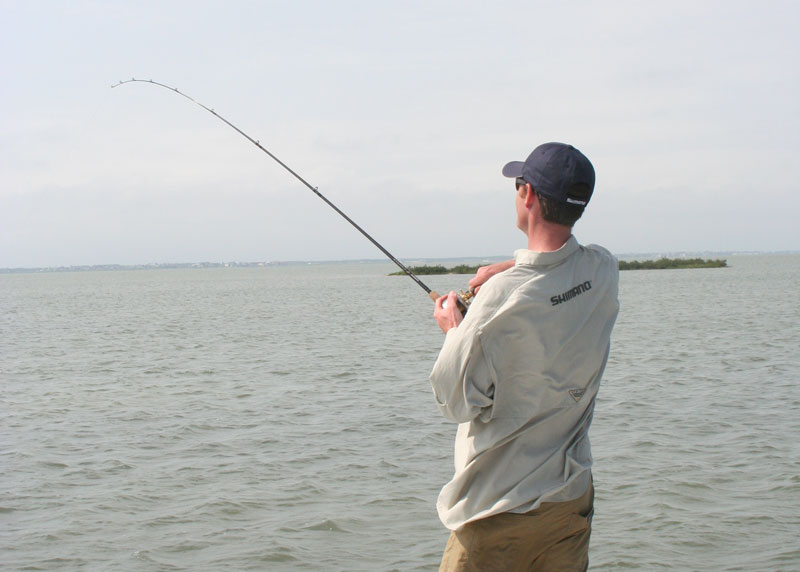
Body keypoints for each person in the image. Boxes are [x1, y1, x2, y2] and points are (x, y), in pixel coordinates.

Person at [430, 142, 619, 571]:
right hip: (569, 502)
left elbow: (454, 401)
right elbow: (554, 269)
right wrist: (508, 268)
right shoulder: (603, 270)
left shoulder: (497, 300)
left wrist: (453, 330)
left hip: (498, 512)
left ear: (528, 195)